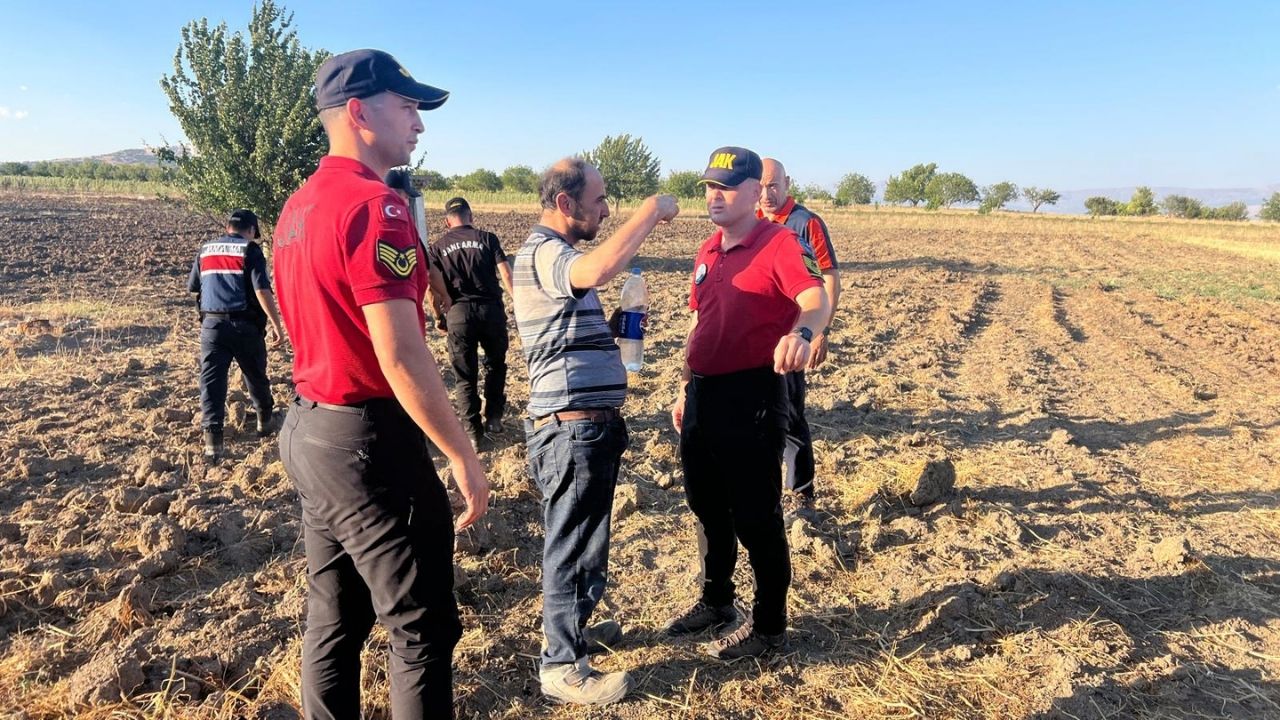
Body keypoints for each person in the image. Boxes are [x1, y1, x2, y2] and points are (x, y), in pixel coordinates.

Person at [272, 48, 489, 720]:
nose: (419, 124)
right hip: (369, 443)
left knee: (334, 618)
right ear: (360, 113)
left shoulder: (298, 207)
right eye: (408, 107)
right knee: (422, 628)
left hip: (310, 431)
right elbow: (400, 356)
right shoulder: (378, 207)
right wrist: (462, 454)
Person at [512, 158, 678, 704]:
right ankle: (561, 665)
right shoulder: (546, 252)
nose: (606, 210)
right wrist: (651, 212)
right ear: (566, 204)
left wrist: (607, 331)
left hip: (588, 425)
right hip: (569, 429)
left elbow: (562, 330)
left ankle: (575, 631)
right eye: (600, 200)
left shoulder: (556, 257)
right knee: (570, 542)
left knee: (589, 541)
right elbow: (599, 269)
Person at [667, 147, 828, 660]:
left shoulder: (779, 243)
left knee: (756, 516)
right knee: (706, 504)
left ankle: (769, 627)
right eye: (710, 186)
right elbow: (700, 322)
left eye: (727, 187)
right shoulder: (707, 250)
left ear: (755, 191)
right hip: (703, 395)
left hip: (753, 394)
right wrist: (684, 384)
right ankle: (717, 601)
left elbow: (815, 296)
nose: (715, 195)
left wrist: (804, 332)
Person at [758, 158, 841, 521]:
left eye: (773, 185)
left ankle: (802, 494)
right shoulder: (752, 222)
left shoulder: (805, 223)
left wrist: (819, 331)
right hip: (756, 338)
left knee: (790, 415)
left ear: (787, 184)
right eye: (760, 186)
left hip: (793, 337)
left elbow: (829, 277)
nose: (767, 194)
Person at [187, 208, 285, 461]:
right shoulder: (250, 250)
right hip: (245, 327)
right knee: (255, 375)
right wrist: (276, 325)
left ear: (228, 227)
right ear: (251, 230)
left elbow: (194, 287)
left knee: (211, 382)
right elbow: (262, 290)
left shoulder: (206, 249)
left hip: (212, 327)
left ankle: (213, 442)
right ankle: (265, 421)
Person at [430, 196, 514, 448]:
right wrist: (518, 302)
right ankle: (494, 418)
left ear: (447, 221)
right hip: (491, 312)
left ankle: (472, 432)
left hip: (459, 315)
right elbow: (506, 274)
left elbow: (432, 287)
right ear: (471, 216)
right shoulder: (488, 239)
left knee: (465, 376)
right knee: (496, 364)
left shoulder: (437, 248)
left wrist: (438, 317)